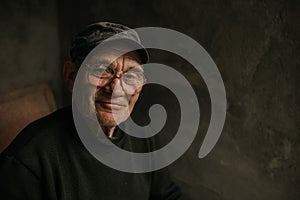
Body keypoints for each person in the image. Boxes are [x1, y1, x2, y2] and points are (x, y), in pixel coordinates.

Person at [0, 22, 182, 199]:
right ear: (71, 76)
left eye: (131, 75)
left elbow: (167, 195)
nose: (116, 89)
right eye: (102, 70)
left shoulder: (143, 136)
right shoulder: (25, 162)